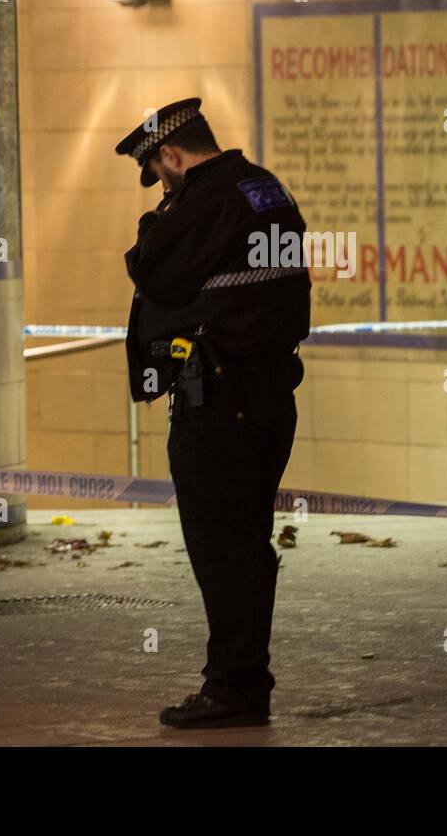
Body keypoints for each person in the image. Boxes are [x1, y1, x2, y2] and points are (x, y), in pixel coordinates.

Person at [115, 97, 311, 729]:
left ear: (171, 154)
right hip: (268, 398)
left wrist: (156, 219)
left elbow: (152, 269)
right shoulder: (265, 188)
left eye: (158, 171)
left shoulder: (205, 200)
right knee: (246, 542)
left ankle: (233, 687)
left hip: (218, 401)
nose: (161, 183)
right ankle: (244, 681)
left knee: (222, 545)